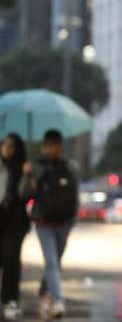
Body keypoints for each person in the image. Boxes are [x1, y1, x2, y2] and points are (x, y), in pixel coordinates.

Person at [20, 128, 78, 319]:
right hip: (44, 222)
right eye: (48, 145)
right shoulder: (36, 167)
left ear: (60, 146)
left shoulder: (70, 167)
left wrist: (73, 217)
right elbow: (25, 194)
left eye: (55, 145)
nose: (51, 149)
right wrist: (28, 175)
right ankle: (57, 300)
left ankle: (45, 290)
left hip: (64, 222)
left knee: (56, 261)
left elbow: (75, 195)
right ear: (44, 146)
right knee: (51, 262)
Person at [0, 134, 31, 319]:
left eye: (12, 145)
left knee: (11, 260)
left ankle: (10, 299)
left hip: (15, 222)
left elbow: (26, 195)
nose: (7, 148)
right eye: (4, 144)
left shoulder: (23, 169)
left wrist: (27, 176)